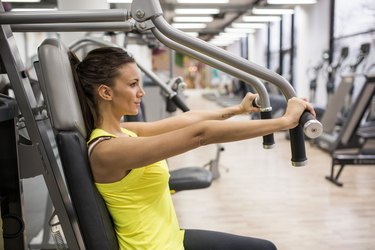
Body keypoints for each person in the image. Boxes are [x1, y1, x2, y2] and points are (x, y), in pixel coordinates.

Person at [69, 47, 315, 250]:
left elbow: (189, 120)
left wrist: (238, 110)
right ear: (105, 92)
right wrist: (285, 122)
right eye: (133, 84)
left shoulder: (125, 132)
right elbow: (200, 135)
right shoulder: (108, 150)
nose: (141, 92)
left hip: (171, 239)